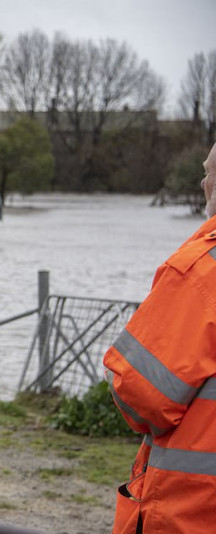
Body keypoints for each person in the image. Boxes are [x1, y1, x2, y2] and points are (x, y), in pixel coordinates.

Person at [103, 141, 216, 534]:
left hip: (195, 512)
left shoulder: (202, 271)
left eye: (209, 173)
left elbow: (141, 394)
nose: (203, 183)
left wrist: (116, 376)